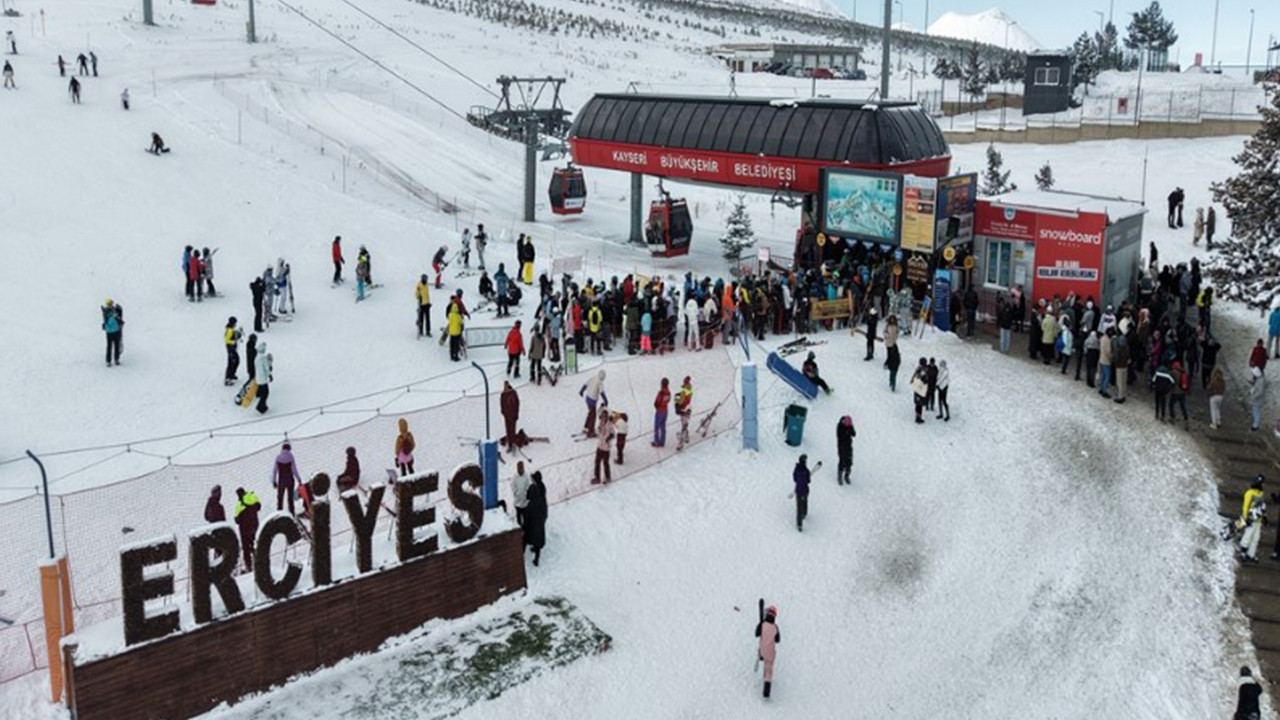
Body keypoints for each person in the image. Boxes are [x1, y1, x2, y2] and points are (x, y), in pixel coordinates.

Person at [1239, 477, 1267, 563]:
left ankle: (1251, 554)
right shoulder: (1249, 493)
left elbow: (1262, 506)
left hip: (1258, 519)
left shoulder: (1261, 493)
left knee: (1256, 537)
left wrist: (1264, 516)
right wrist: (1245, 517)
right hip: (1250, 518)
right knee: (1248, 535)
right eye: (1262, 483)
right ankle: (1243, 552)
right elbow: (1245, 506)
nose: (1263, 485)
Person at [755, 605, 781, 699]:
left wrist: (760, 624)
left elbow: (756, 634)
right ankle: (766, 691)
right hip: (771, 653)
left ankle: (760, 656)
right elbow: (778, 640)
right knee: (769, 669)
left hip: (762, 650)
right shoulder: (775, 627)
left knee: (763, 654)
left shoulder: (762, 625)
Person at [233, 487, 261, 572]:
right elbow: (259, 506)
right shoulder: (252, 497)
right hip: (255, 524)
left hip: (244, 528)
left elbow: (236, 520)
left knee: (246, 547)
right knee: (254, 542)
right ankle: (258, 560)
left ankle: (249, 566)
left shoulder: (239, 504)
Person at [523, 471, 547, 566]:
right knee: (538, 540)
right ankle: (536, 559)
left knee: (526, 539)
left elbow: (526, 518)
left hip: (532, 525)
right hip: (540, 522)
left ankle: (522, 555)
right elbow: (545, 512)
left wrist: (524, 527)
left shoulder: (530, 505)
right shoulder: (542, 501)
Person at [273, 443, 301, 515]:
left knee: (280, 498)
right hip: (290, 480)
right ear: (289, 449)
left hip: (281, 480)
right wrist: (299, 479)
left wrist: (274, 481)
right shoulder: (291, 457)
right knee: (290, 498)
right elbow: (294, 470)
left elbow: (275, 470)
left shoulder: (278, 457)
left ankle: (279, 513)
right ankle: (292, 513)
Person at [579, 370, 608, 437]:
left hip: (587, 398)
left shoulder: (593, 377)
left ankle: (586, 427)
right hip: (592, 400)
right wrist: (606, 401)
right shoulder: (600, 382)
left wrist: (581, 391)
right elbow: (602, 392)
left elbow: (585, 384)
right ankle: (590, 432)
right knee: (593, 416)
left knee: (590, 413)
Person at [592, 407, 615, 485]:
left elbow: (613, 434)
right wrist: (597, 431)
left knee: (605, 463)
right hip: (599, 446)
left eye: (604, 417)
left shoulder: (610, 424)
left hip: (606, 448)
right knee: (597, 462)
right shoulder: (600, 423)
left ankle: (608, 477)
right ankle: (597, 478)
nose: (602, 418)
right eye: (602, 417)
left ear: (607, 417)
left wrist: (608, 438)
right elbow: (598, 432)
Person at [101, 298, 124, 367]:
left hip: (115, 331)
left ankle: (116, 359)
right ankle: (108, 361)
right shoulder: (106, 313)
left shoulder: (113, 310)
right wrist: (113, 317)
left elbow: (119, 317)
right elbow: (108, 322)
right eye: (110, 304)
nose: (112, 305)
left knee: (116, 345)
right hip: (110, 332)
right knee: (109, 346)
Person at [793, 455, 811, 531]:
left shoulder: (796, 469)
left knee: (799, 506)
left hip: (798, 490)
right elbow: (808, 481)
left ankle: (799, 523)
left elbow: (794, 478)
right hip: (805, 490)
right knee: (805, 502)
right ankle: (804, 513)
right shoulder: (806, 471)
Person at [500, 381, 520, 452]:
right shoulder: (503, 394)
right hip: (507, 415)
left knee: (512, 429)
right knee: (508, 429)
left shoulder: (513, 393)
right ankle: (510, 443)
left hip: (513, 415)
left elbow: (517, 404)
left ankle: (512, 443)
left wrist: (516, 414)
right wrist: (503, 412)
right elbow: (502, 404)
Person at [1168, 361, 1190, 427]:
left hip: (1175, 392)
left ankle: (1172, 417)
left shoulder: (1173, 372)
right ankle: (1186, 418)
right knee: (1182, 405)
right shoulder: (1183, 372)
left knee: (1171, 404)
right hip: (1183, 392)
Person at [836, 416, 855, 485]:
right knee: (842, 460)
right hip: (841, 446)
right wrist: (846, 433)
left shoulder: (850, 425)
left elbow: (854, 434)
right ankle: (840, 476)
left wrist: (850, 431)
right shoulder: (840, 426)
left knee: (849, 461)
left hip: (848, 446)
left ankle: (847, 475)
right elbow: (839, 436)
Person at [675, 376, 693, 451]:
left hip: (684, 410)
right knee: (685, 424)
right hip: (687, 409)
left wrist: (677, 404)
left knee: (684, 425)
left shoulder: (685, 391)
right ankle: (687, 437)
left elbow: (682, 400)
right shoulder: (688, 389)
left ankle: (681, 444)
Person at [254, 340, 272, 414]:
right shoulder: (263, 358)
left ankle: (261, 403)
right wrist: (269, 375)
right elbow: (266, 368)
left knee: (262, 391)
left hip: (258, 377)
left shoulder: (257, 357)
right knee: (266, 393)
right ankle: (260, 406)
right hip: (263, 378)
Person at [412, 274, 432, 338]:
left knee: (428, 319)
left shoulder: (426, 285)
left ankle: (428, 331)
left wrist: (429, 302)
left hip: (427, 304)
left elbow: (427, 294)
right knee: (421, 318)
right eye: (425, 279)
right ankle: (420, 331)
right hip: (421, 304)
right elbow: (416, 294)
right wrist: (418, 296)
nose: (426, 280)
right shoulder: (419, 285)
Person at [223, 316, 242, 386]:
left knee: (236, 361)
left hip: (233, 348)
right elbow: (227, 340)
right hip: (231, 349)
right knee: (231, 363)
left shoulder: (231, 329)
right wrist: (234, 342)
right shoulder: (229, 330)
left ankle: (232, 374)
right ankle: (228, 378)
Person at [652, 378, 671, 447]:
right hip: (665, 411)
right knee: (663, 427)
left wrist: (657, 407)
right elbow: (668, 400)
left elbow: (656, 402)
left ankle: (656, 441)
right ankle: (662, 441)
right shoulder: (668, 392)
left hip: (660, 411)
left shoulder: (661, 393)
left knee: (657, 427)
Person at [1208, 364, 1226, 430]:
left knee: (1213, 410)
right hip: (1220, 396)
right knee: (1217, 409)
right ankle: (1218, 421)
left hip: (1214, 395)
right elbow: (1224, 388)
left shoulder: (1213, 381)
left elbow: (1210, 388)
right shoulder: (1222, 381)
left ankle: (1214, 423)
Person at [1249, 366, 1267, 432]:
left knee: (1256, 412)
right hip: (1257, 399)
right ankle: (1255, 423)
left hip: (1257, 399)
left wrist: (1253, 396)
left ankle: (1256, 425)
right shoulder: (1260, 378)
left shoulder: (1261, 380)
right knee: (1255, 411)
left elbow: (1260, 392)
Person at [911, 358, 928, 424]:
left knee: (917, 404)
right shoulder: (923, 371)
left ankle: (917, 416)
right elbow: (925, 380)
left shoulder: (918, 369)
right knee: (920, 405)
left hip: (916, 389)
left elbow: (913, 377)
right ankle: (918, 418)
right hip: (920, 390)